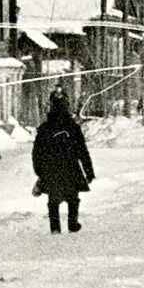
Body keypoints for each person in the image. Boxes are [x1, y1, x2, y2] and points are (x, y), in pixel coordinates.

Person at [31, 90, 95, 234]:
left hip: (52, 171)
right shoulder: (73, 128)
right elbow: (82, 152)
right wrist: (89, 171)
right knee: (73, 199)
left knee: (53, 201)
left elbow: (37, 154)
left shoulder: (45, 128)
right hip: (71, 169)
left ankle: (55, 229)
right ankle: (72, 224)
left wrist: (41, 173)